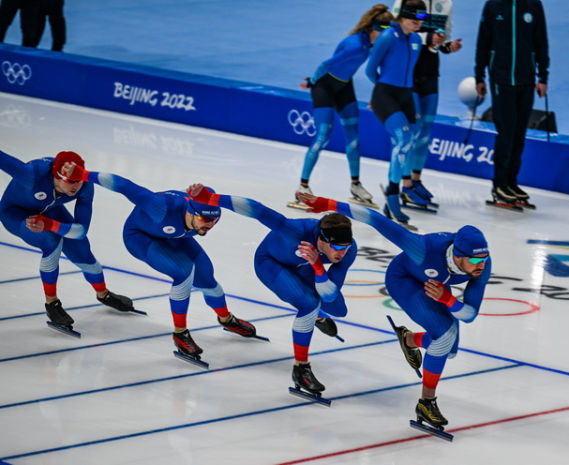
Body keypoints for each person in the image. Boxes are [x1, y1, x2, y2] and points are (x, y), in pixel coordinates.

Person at [297, 191, 491, 429]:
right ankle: (426, 403)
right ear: (458, 256)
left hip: (439, 290)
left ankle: (409, 339)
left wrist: (449, 300)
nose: (480, 265)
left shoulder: (482, 264)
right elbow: (376, 220)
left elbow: (470, 315)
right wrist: (327, 204)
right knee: (445, 335)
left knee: (449, 350)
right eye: (474, 261)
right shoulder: (423, 248)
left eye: (483, 259)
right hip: (403, 279)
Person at [62, 165, 259, 361]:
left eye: (213, 221)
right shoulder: (160, 207)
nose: (208, 225)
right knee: (184, 271)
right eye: (204, 220)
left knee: (206, 276)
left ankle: (226, 319)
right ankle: (180, 334)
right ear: (191, 211)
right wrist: (84, 175)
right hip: (140, 236)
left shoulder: (204, 211)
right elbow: (124, 185)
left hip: (173, 235)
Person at [188, 184, 356, 397]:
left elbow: (330, 295)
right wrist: (212, 198)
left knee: (338, 310)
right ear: (322, 240)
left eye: (346, 246)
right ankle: (301, 368)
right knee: (309, 304)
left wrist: (317, 266)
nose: (342, 252)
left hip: (307, 265)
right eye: (337, 247)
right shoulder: (295, 231)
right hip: (271, 263)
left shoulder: (348, 250)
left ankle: (319, 317)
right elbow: (257, 210)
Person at [0, 149, 133, 333]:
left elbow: (80, 231)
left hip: (50, 213)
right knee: (50, 240)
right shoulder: (31, 174)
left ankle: (104, 294)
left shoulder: (85, 186)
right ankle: (52, 303)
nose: (76, 186)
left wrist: (50, 223)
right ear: (56, 176)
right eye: (70, 182)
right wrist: (49, 226)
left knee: (82, 250)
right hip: (16, 214)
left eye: (78, 180)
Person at [293, 4, 394, 209]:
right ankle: (302, 186)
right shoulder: (355, 45)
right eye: (383, 33)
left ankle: (355, 185)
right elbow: (325, 65)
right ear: (372, 29)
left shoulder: (371, 43)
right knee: (323, 137)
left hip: (345, 87)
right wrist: (312, 81)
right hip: (324, 86)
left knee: (354, 139)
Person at [474, 0, 549, 208]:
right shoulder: (493, 5)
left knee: (519, 135)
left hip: (526, 80)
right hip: (501, 79)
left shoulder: (533, 5)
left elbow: (541, 40)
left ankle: (511, 183)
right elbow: (484, 41)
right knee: (506, 133)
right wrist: (479, 75)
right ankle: (499, 185)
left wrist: (543, 76)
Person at [392, 0, 462, 207]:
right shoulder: (406, 1)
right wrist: (428, 38)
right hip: (409, 75)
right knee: (412, 130)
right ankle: (405, 186)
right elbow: (396, 32)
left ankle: (415, 180)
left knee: (425, 131)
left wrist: (448, 46)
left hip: (431, 75)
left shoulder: (446, 4)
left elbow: (441, 41)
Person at [365, 0, 427, 230]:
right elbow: (371, 70)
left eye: (422, 21)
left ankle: (390, 203)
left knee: (407, 141)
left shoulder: (416, 40)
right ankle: (393, 195)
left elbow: (409, 71)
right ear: (403, 17)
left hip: (405, 95)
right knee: (403, 139)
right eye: (415, 20)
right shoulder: (387, 37)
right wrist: (380, 92)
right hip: (385, 94)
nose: (419, 25)